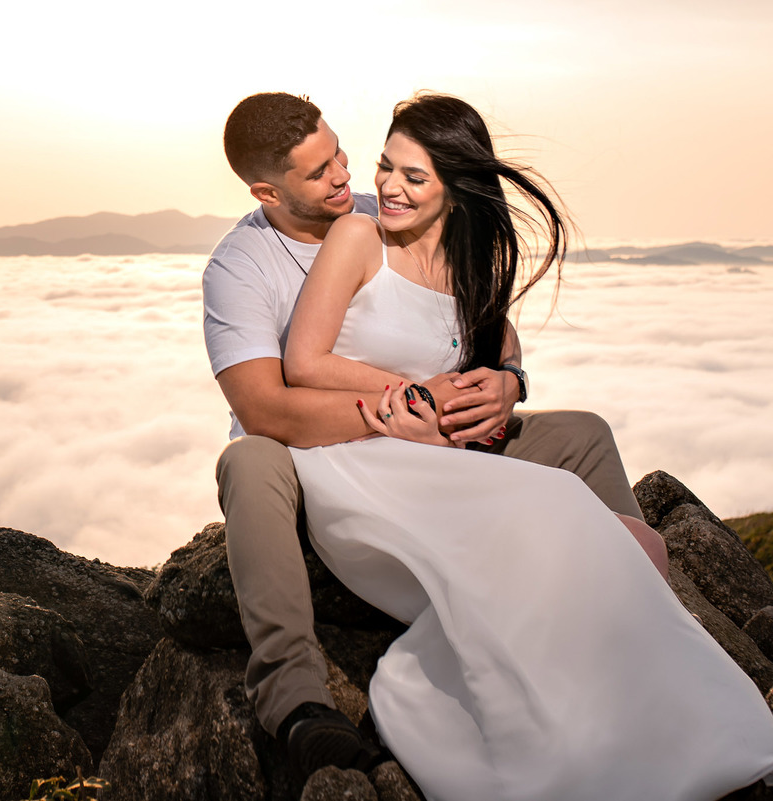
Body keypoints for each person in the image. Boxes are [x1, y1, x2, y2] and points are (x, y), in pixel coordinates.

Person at [282, 92, 773, 799]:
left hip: (435, 458)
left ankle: (625, 726)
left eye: (413, 177)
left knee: (620, 542)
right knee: (564, 511)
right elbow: (304, 362)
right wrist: (423, 391)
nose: (388, 186)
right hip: (359, 462)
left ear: (457, 187)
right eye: (387, 166)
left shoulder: (468, 259)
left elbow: (494, 337)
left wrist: (508, 377)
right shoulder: (358, 240)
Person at [204, 92, 653, 776]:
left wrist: (507, 375)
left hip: (431, 430)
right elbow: (267, 406)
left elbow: (472, 315)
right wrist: (400, 405)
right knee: (247, 460)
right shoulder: (241, 269)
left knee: (582, 435)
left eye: (342, 156)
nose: (345, 177)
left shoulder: (379, 209)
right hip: (312, 450)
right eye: (319, 170)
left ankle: (644, 613)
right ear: (268, 189)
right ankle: (295, 701)